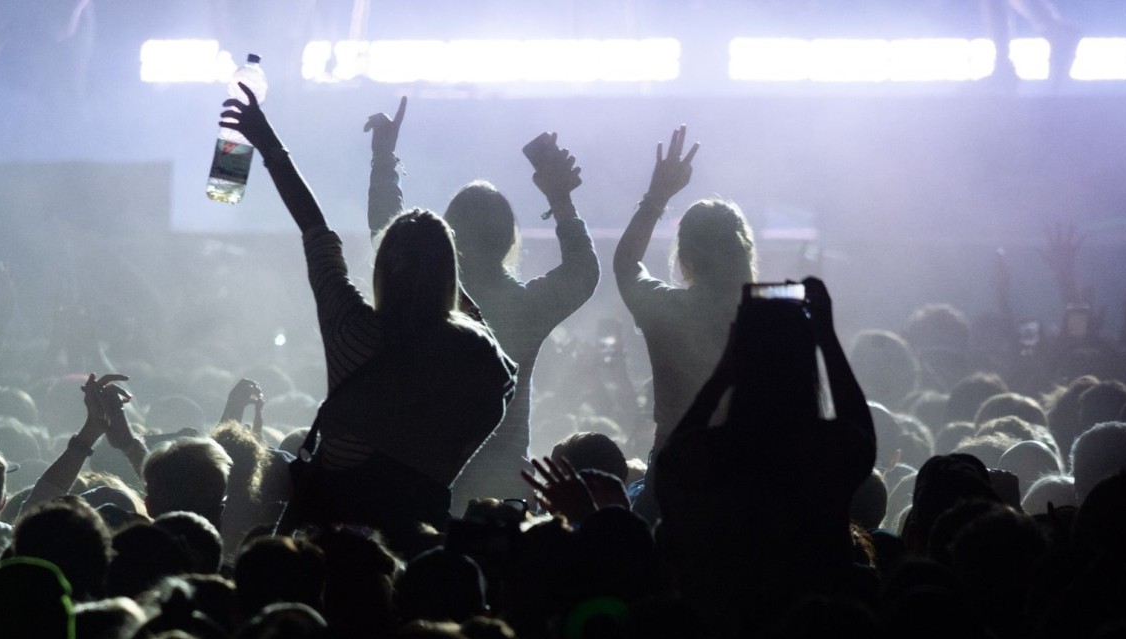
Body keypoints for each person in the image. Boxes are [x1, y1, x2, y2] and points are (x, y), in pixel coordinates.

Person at [221, 84, 517, 538]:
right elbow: (502, 375)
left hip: (324, 546)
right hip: (414, 550)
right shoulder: (478, 358)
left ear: (383, 267)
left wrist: (267, 141)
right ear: (449, 276)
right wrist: (437, 273)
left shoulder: (351, 332)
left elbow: (314, 226)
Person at [364, 97, 599, 505]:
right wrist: (561, 200)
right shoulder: (526, 309)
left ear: (449, 235)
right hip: (502, 490)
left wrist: (384, 157)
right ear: (510, 240)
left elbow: (388, 228)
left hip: (423, 484)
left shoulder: (424, 292)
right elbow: (583, 273)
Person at [654, 278, 876, 633]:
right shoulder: (825, 451)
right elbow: (862, 437)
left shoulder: (707, 455)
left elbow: (668, 465)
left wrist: (722, 374)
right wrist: (825, 338)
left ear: (739, 354)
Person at [614, 125, 756, 520]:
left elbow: (625, 264)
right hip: (747, 475)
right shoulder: (766, 317)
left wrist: (657, 196)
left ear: (685, 258)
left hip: (675, 469)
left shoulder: (669, 309)